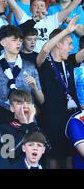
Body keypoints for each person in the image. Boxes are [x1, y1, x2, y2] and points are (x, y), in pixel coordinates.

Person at [36, 18, 84, 169]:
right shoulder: (43, 63)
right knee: (54, 158)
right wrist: (66, 31)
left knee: (71, 154)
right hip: (52, 117)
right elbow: (44, 50)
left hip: (71, 116)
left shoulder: (69, 61)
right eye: (69, 44)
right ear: (58, 44)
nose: (72, 48)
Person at [0, 25, 43, 124]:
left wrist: (35, 88)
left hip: (27, 116)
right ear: (3, 42)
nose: (19, 43)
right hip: (2, 117)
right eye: (14, 40)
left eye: (20, 40)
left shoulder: (29, 66)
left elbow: (41, 100)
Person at [0, 90, 42, 163]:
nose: (25, 106)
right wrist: (24, 126)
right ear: (12, 108)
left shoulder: (34, 127)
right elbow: (9, 154)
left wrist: (31, 124)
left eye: (28, 103)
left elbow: (47, 150)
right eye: (19, 103)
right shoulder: (3, 128)